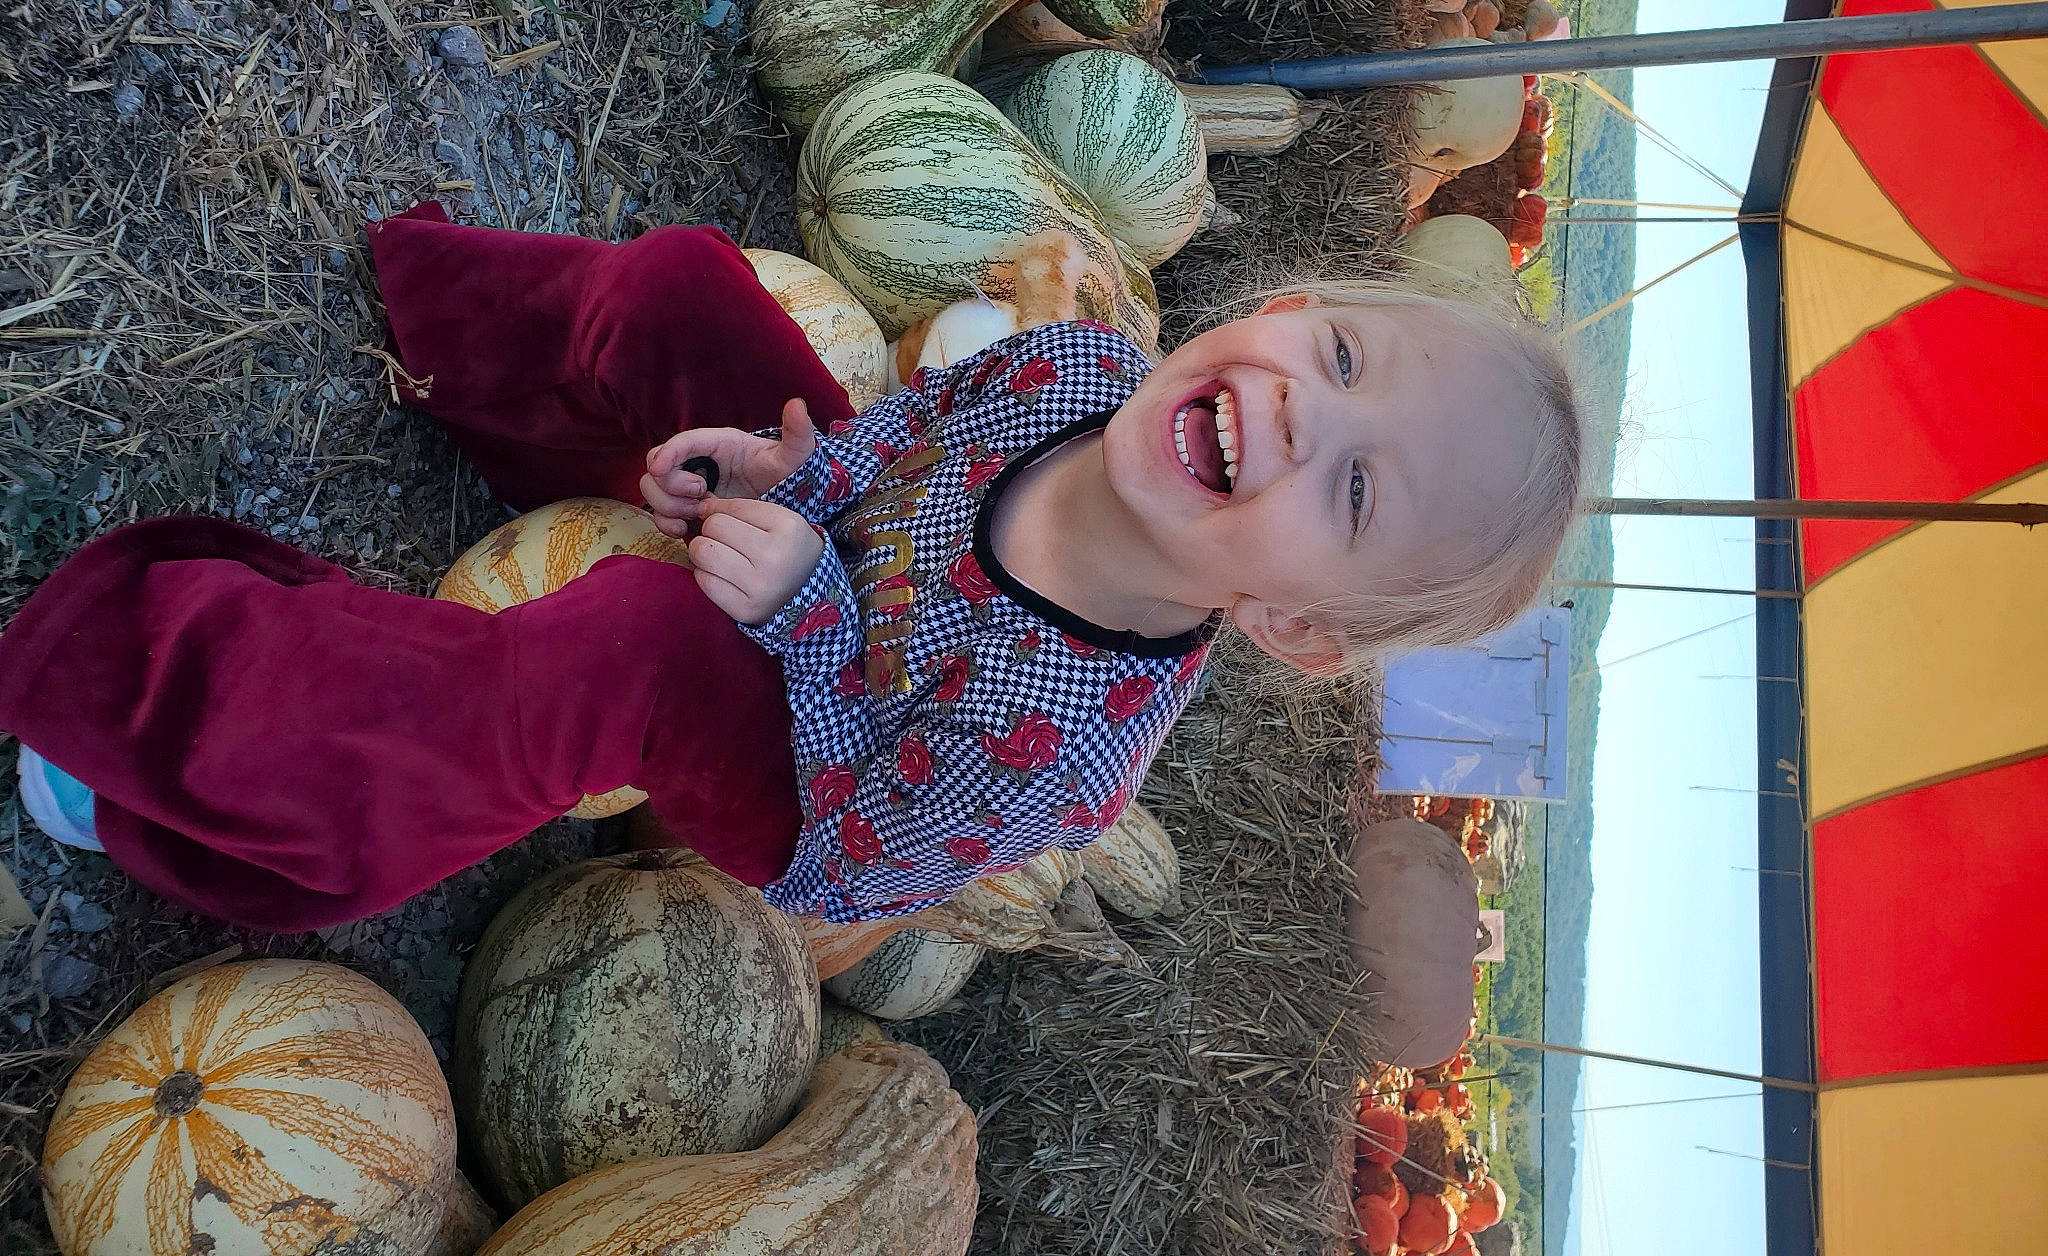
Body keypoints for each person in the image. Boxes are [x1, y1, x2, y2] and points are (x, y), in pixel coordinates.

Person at [0, 204, 1583, 931]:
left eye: (1359, 490)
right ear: (1292, 303)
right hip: (820, 558)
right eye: (1344, 351)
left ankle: (175, 753)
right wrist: (792, 482)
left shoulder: (1069, 751)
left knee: (630, 647)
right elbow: (908, 438)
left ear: (1295, 625)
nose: (1311, 412)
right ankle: (452, 349)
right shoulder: (1081, 371)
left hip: (810, 778)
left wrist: (807, 617)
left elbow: (860, 858)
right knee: (690, 294)